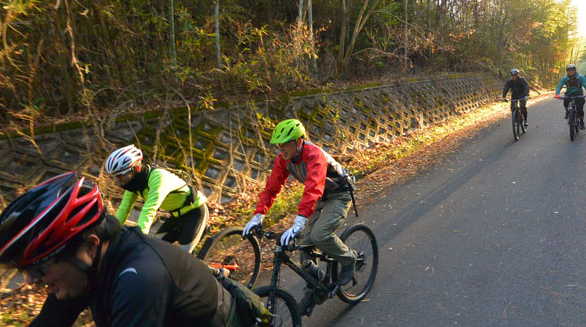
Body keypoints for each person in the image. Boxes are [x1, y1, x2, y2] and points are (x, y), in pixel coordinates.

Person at [0, 172, 270, 326]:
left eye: (39, 267)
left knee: (178, 250)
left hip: (194, 216)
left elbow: (151, 207)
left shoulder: (138, 280)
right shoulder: (80, 269)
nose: (30, 280)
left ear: (90, 245)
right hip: (171, 226)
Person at [242, 119, 356, 316]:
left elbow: (313, 188)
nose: (281, 149)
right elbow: (271, 188)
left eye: (286, 144)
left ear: (299, 141)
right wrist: (258, 216)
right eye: (279, 145)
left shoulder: (314, 155)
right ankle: (316, 287)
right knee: (304, 243)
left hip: (338, 195)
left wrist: (300, 220)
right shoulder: (284, 159)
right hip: (321, 197)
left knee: (320, 235)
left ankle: (349, 260)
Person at [105, 144, 208, 253]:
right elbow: (124, 209)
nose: (120, 181)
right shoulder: (133, 183)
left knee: (183, 255)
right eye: (117, 177)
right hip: (176, 216)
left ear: (136, 168)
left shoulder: (158, 177)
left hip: (195, 212)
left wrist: (139, 239)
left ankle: (210, 265)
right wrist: (110, 234)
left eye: (121, 176)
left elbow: (149, 210)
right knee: (153, 251)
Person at [555, 64, 586, 129]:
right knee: (565, 102)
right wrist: (557, 94)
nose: (570, 71)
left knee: (580, 109)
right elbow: (559, 86)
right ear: (567, 71)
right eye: (568, 70)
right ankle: (567, 112)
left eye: (572, 70)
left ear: (575, 70)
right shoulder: (565, 78)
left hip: (579, 94)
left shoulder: (580, 77)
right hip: (568, 94)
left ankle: (581, 122)